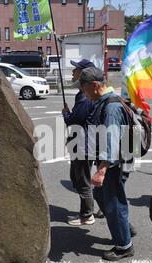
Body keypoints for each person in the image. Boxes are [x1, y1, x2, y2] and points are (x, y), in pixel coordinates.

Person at [80, 67, 135, 261]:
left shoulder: (111, 107)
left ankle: (124, 246)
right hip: (116, 160)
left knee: (113, 202)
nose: (84, 93)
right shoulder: (107, 101)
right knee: (102, 196)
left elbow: (111, 142)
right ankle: (125, 228)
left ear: (95, 86)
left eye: (84, 89)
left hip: (113, 164)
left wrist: (101, 171)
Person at [63, 59, 97, 226]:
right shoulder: (85, 94)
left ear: (83, 73)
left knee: (82, 181)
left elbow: (75, 120)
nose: (72, 72)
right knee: (79, 179)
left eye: (75, 69)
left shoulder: (84, 96)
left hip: (83, 145)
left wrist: (66, 114)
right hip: (82, 143)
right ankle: (95, 208)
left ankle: (87, 215)